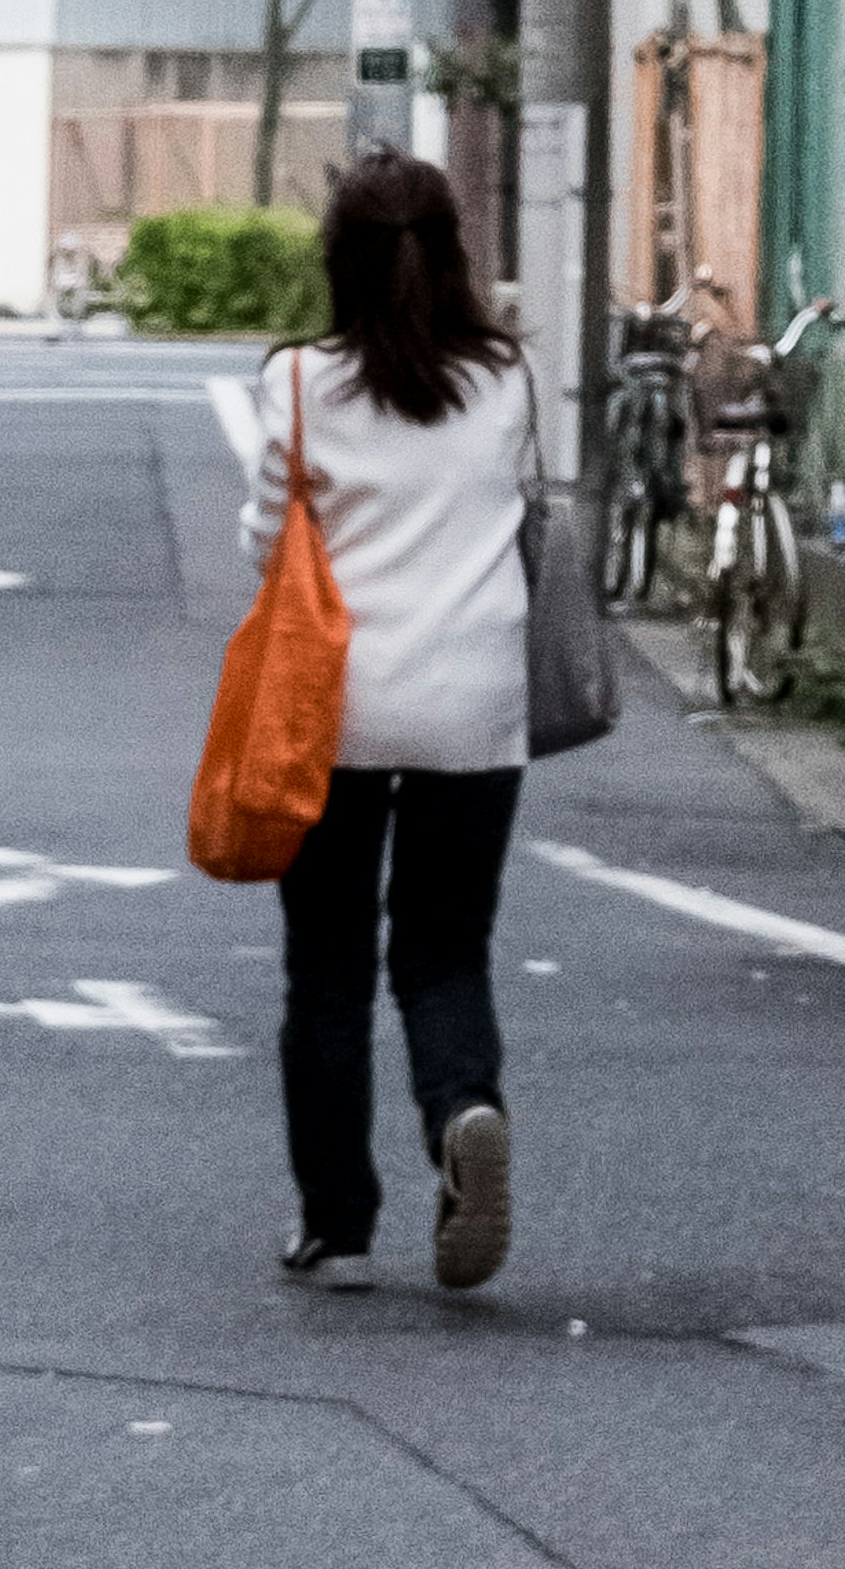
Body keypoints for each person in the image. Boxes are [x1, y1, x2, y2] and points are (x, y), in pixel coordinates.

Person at [240, 152, 533, 1296]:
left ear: (340, 260)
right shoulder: (505, 376)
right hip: (475, 704)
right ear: (453, 254)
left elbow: (267, 544)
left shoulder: (303, 381)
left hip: (337, 709)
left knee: (327, 966)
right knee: (445, 948)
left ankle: (340, 1224)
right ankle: (463, 1107)